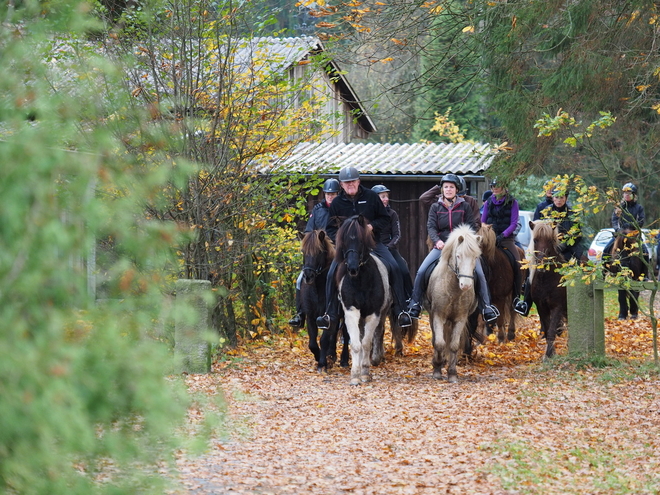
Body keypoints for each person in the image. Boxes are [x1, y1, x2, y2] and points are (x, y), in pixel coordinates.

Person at [316, 167, 413, 330]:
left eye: (353, 181)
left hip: (373, 244)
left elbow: (384, 218)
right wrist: (342, 239)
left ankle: (401, 310)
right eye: (347, 183)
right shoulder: (337, 203)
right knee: (331, 273)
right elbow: (331, 229)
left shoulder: (371, 197)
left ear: (358, 181)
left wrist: (371, 227)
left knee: (395, 268)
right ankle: (329, 314)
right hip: (348, 248)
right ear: (341, 185)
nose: (350, 185)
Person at [406, 174, 499, 323]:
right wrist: (437, 241)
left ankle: (486, 307)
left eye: (451, 187)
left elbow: (473, 225)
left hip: (461, 247)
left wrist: (467, 239)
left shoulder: (465, 206)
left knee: (480, 273)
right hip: (442, 246)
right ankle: (415, 304)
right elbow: (431, 226)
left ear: (457, 189)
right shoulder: (435, 206)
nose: (448, 190)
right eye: (446, 187)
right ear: (442, 189)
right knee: (422, 271)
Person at [515, 187, 584, 316]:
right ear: (552, 198)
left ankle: (576, 301)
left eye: (562, 197)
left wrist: (563, 244)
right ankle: (526, 304)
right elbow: (535, 229)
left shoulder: (572, 214)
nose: (559, 200)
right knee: (531, 271)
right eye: (556, 197)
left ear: (566, 199)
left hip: (567, 249)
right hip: (547, 250)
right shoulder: (544, 211)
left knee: (576, 268)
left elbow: (578, 235)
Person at [288, 178, 340, 327]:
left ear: (337, 194)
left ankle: (344, 318)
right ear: (324, 194)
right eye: (328, 194)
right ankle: (300, 314)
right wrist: (315, 242)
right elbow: (309, 231)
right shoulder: (317, 210)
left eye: (333, 194)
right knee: (300, 280)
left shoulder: (342, 209)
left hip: (336, 251)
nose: (330, 196)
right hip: (319, 253)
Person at [481, 178, 524, 314]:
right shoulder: (488, 202)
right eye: (493, 186)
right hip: (490, 238)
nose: (495, 188)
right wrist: (487, 234)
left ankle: (517, 297)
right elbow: (483, 221)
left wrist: (503, 235)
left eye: (497, 186)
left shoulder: (513, 202)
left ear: (504, 187)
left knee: (518, 264)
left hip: (506, 239)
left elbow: (513, 223)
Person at [371, 184, 414, 299]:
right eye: (383, 196)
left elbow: (397, 235)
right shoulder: (369, 215)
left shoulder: (392, 214)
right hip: (372, 249)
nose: (386, 199)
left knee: (403, 270)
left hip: (389, 249)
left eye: (386, 196)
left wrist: (389, 246)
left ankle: (410, 299)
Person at [602, 182, 646, 260]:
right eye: (625, 193)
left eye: (629, 193)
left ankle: (645, 270)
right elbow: (614, 220)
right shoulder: (619, 207)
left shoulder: (639, 208)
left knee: (645, 251)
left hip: (634, 235)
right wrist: (618, 230)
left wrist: (630, 226)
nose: (627, 195)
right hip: (620, 234)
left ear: (634, 195)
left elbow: (641, 221)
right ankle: (604, 270)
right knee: (606, 249)